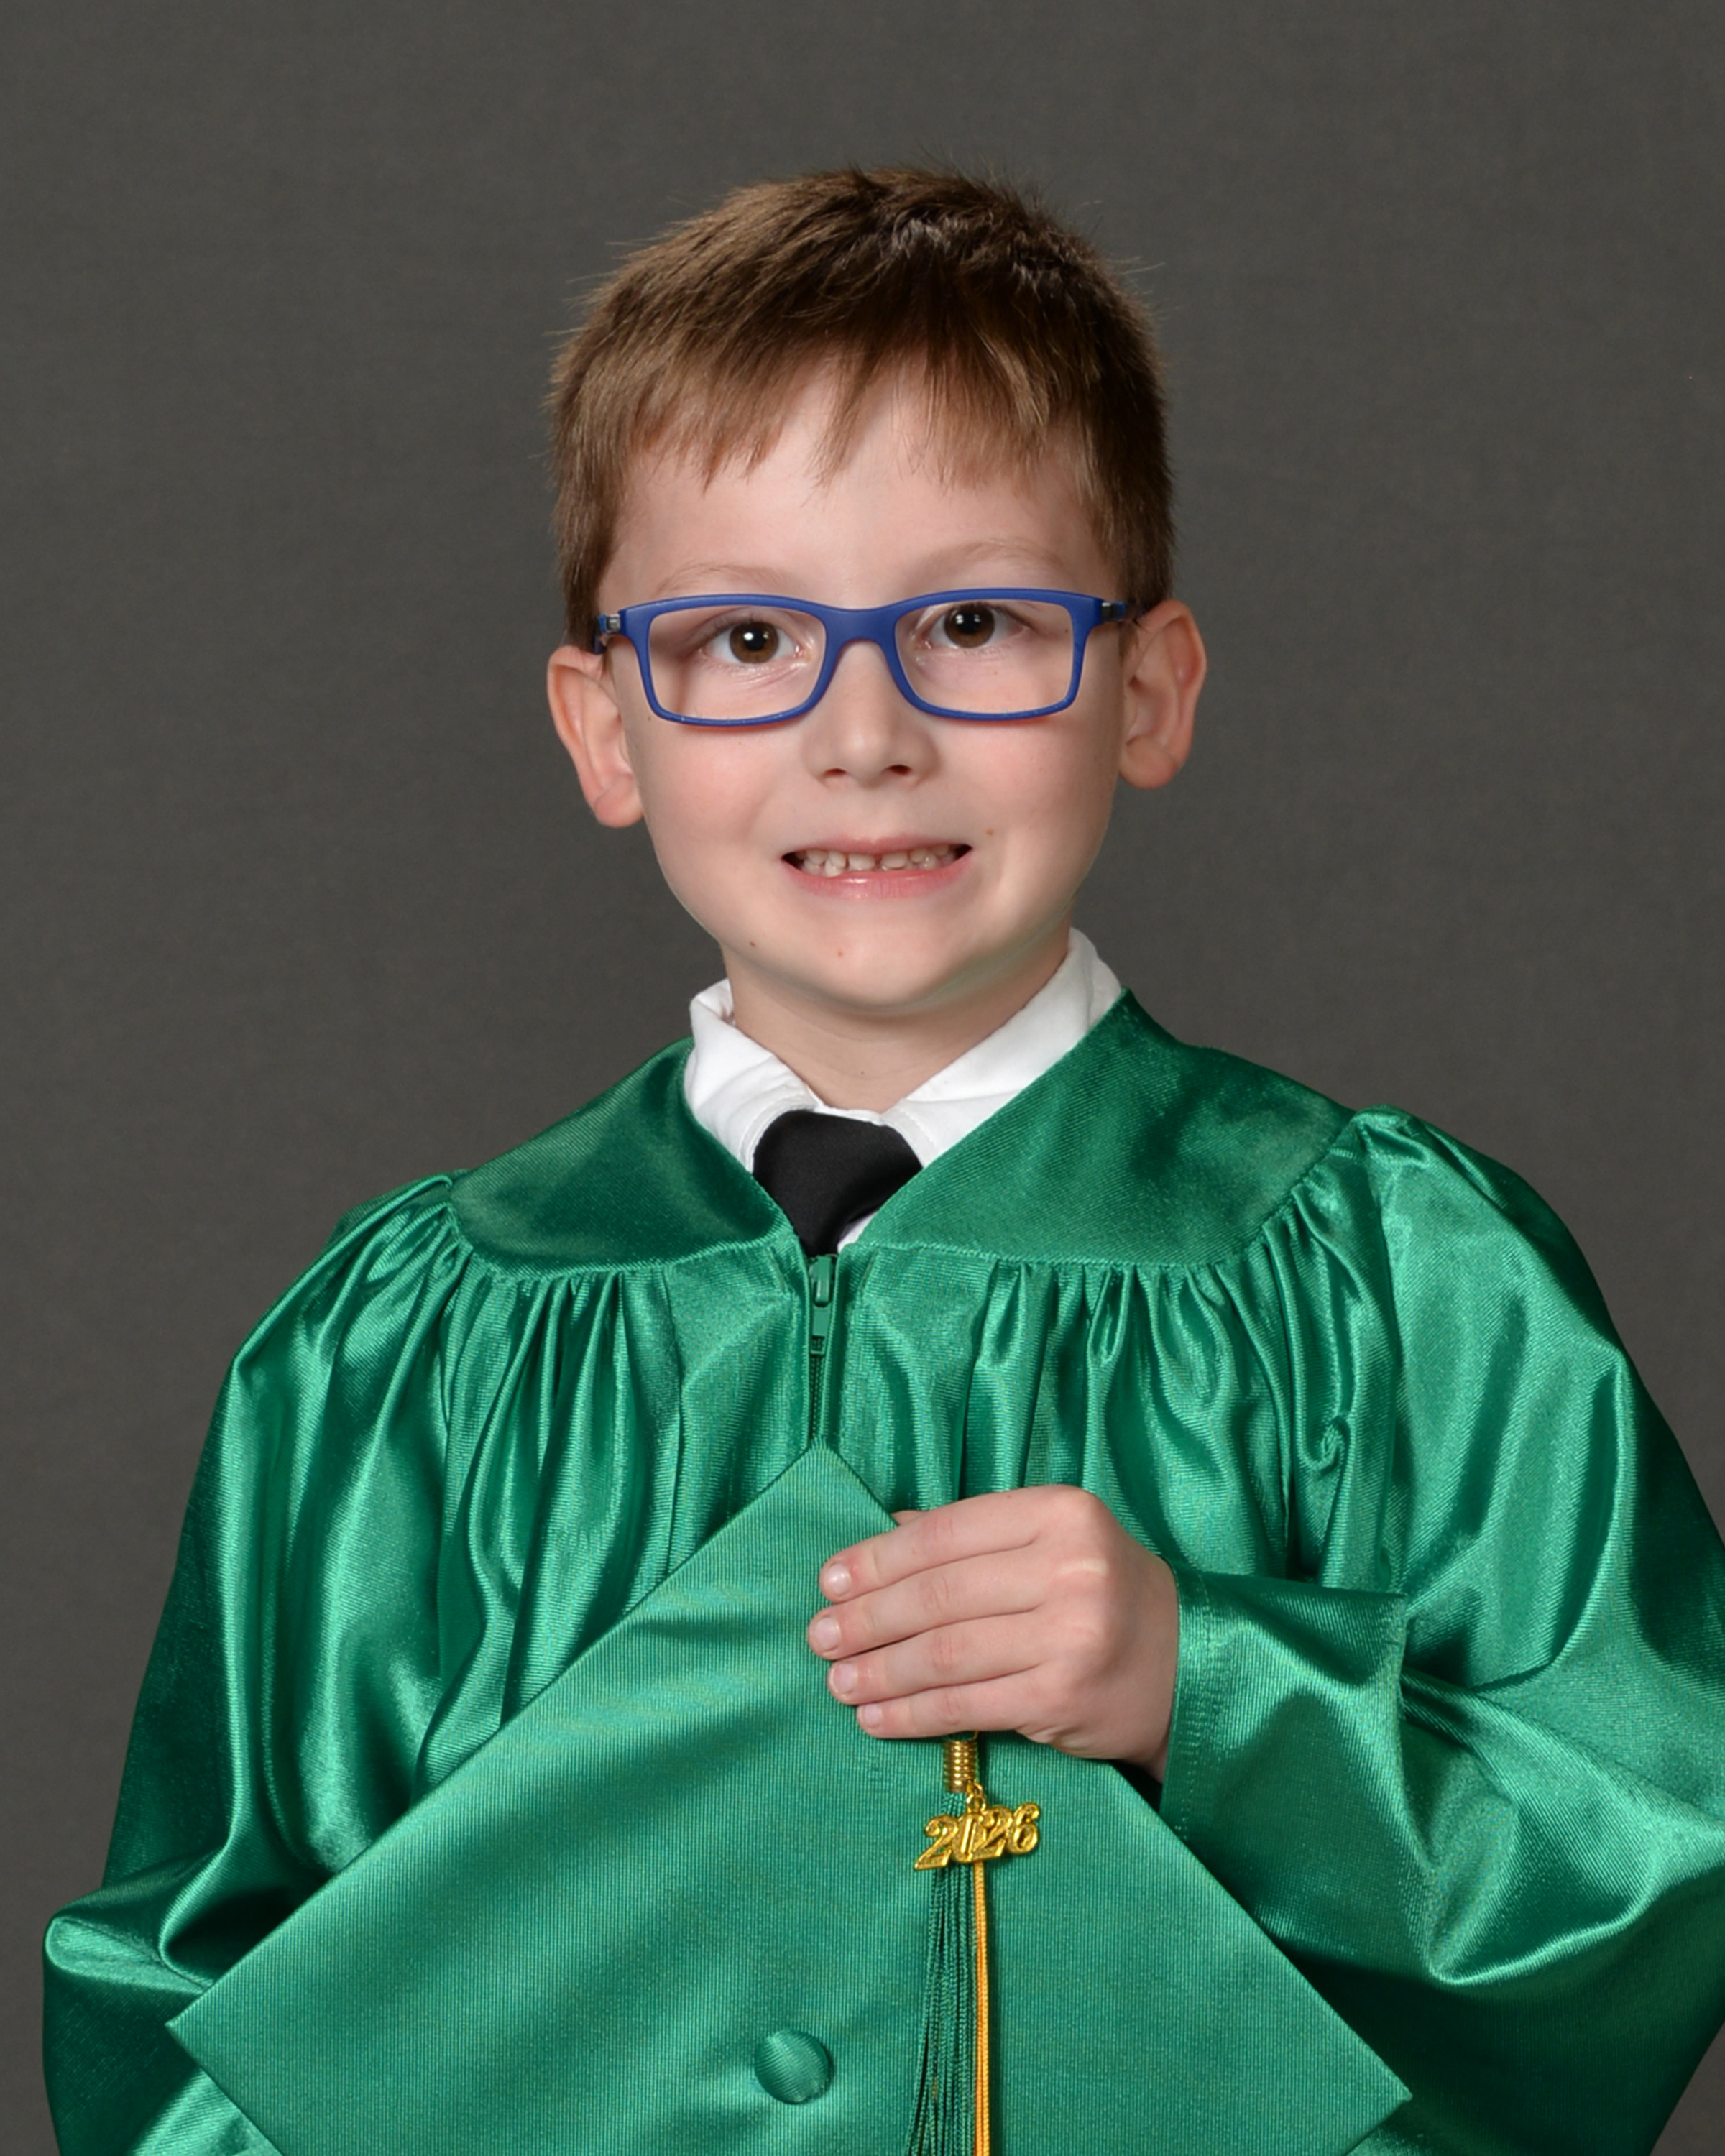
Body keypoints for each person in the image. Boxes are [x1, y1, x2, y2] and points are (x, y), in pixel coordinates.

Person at [43, 167, 1725, 2156]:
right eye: (749, 634)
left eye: (977, 622)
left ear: (1149, 688)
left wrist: (1217, 1690)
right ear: (606, 729)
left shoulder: (1391, 1281)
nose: (865, 734)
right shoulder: (400, 1352)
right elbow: (193, 2018)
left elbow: (1655, 1852)